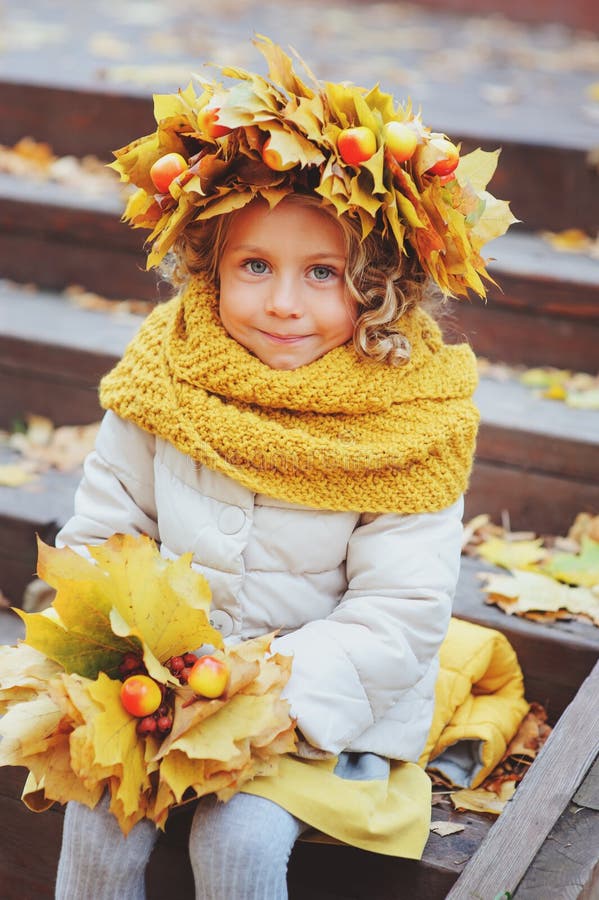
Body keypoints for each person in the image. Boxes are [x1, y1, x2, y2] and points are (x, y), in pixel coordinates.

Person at [53, 36, 514, 900]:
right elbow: (106, 533)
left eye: (323, 274)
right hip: (161, 690)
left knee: (239, 837)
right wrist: (129, 659)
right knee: (97, 807)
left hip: (319, 712)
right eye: (253, 266)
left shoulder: (406, 422)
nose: (282, 302)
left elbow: (396, 611)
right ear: (207, 267)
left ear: (376, 287)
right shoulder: (168, 378)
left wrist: (266, 697)